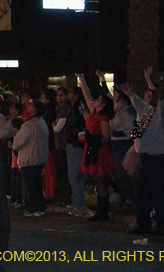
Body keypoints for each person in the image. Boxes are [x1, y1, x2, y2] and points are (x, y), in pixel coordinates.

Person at [126, 66, 164, 236]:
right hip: (144, 157)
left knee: (159, 194)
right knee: (142, 194)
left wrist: (155, 90)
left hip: (158, 158)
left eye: (151, 95)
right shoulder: (144, 112)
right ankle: (143, 224)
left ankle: (162, 226)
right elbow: (136, 102)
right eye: (146, 94)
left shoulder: (163, 114)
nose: (147, 97)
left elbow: (163, 104)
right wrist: (131, 92)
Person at [76, 73, 116, 222]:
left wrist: (89, 138)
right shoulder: (93, 114)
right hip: (92, 148)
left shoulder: (102, 118)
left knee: (100, 180)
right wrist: (82, 80)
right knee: (96, 179)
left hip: (99, 150)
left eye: (98, 100)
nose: (95, 101)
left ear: (103, 104)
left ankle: (103, 211)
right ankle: (101, 209)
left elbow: (106, 136)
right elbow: (87, 96)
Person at [13, 100, 50, 217]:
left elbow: (18, 142)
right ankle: (40, 207)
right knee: (37, 184)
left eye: (31, 106)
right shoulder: (41, 122)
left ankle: (34, 207)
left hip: (29, 158)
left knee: (31, 185)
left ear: (35, 109)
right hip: (40, 157)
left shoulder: (29, 125)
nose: (28, 107)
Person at [109, 84, 136, 207]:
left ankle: (128, 195)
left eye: (116, 93)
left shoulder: (127, 110)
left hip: (123, 143)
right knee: (117, 171)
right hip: (116, 142)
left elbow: (130, 130)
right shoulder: (117, 109)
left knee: (123, 171)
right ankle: (123, 195)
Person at [64, 85, 88, 216]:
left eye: (70, 92)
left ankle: (79, 204)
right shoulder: (73, 108)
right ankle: (77, 203)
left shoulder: (79, 107)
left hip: (76, 143)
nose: (68, 94)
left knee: (75, 175)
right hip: (74, 142)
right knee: (74, 175)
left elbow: (83, 123)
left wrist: (78, 135)